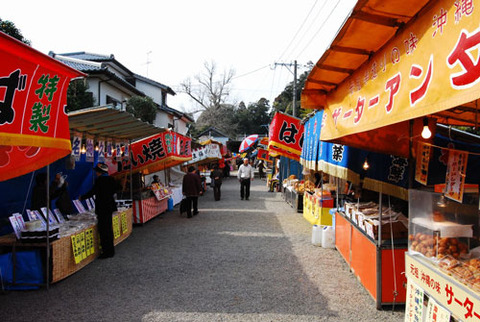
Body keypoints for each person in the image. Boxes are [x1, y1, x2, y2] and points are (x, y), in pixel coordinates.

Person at [80, 163, 121, 259]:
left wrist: (82, 197)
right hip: (109, 207)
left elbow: (93, 192)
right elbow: (118, 188)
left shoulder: (100, 181)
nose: (96, 174)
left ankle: (106, 252)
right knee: (108, 229)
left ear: (100, 172)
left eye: (97, 172)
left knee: (103, 230)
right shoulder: (111, 179)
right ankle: (111, 251)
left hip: (102, 208)